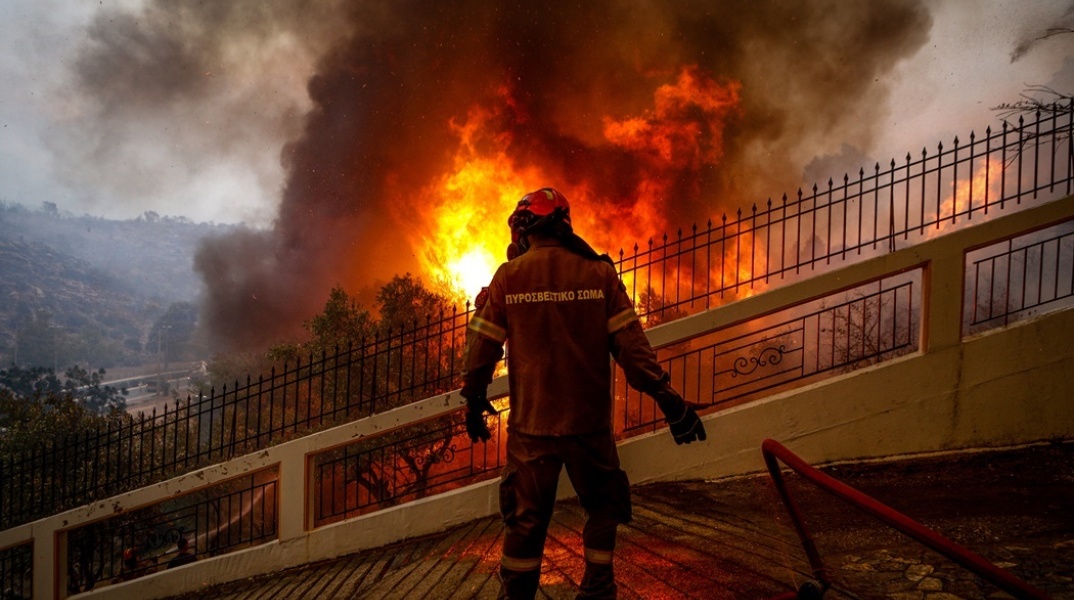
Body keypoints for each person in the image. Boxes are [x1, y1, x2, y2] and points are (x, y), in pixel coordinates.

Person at [461, 187, 707, 599]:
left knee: (525, 521)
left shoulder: (509, 278)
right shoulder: (599, 274)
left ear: (525, 230)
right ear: (564, 224)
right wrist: (671, 403)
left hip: (532, 430)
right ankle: (596, 591)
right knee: (604, 508)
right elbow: (632, 349)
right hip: (589, 426)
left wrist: (473, 398)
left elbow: (482, 347)